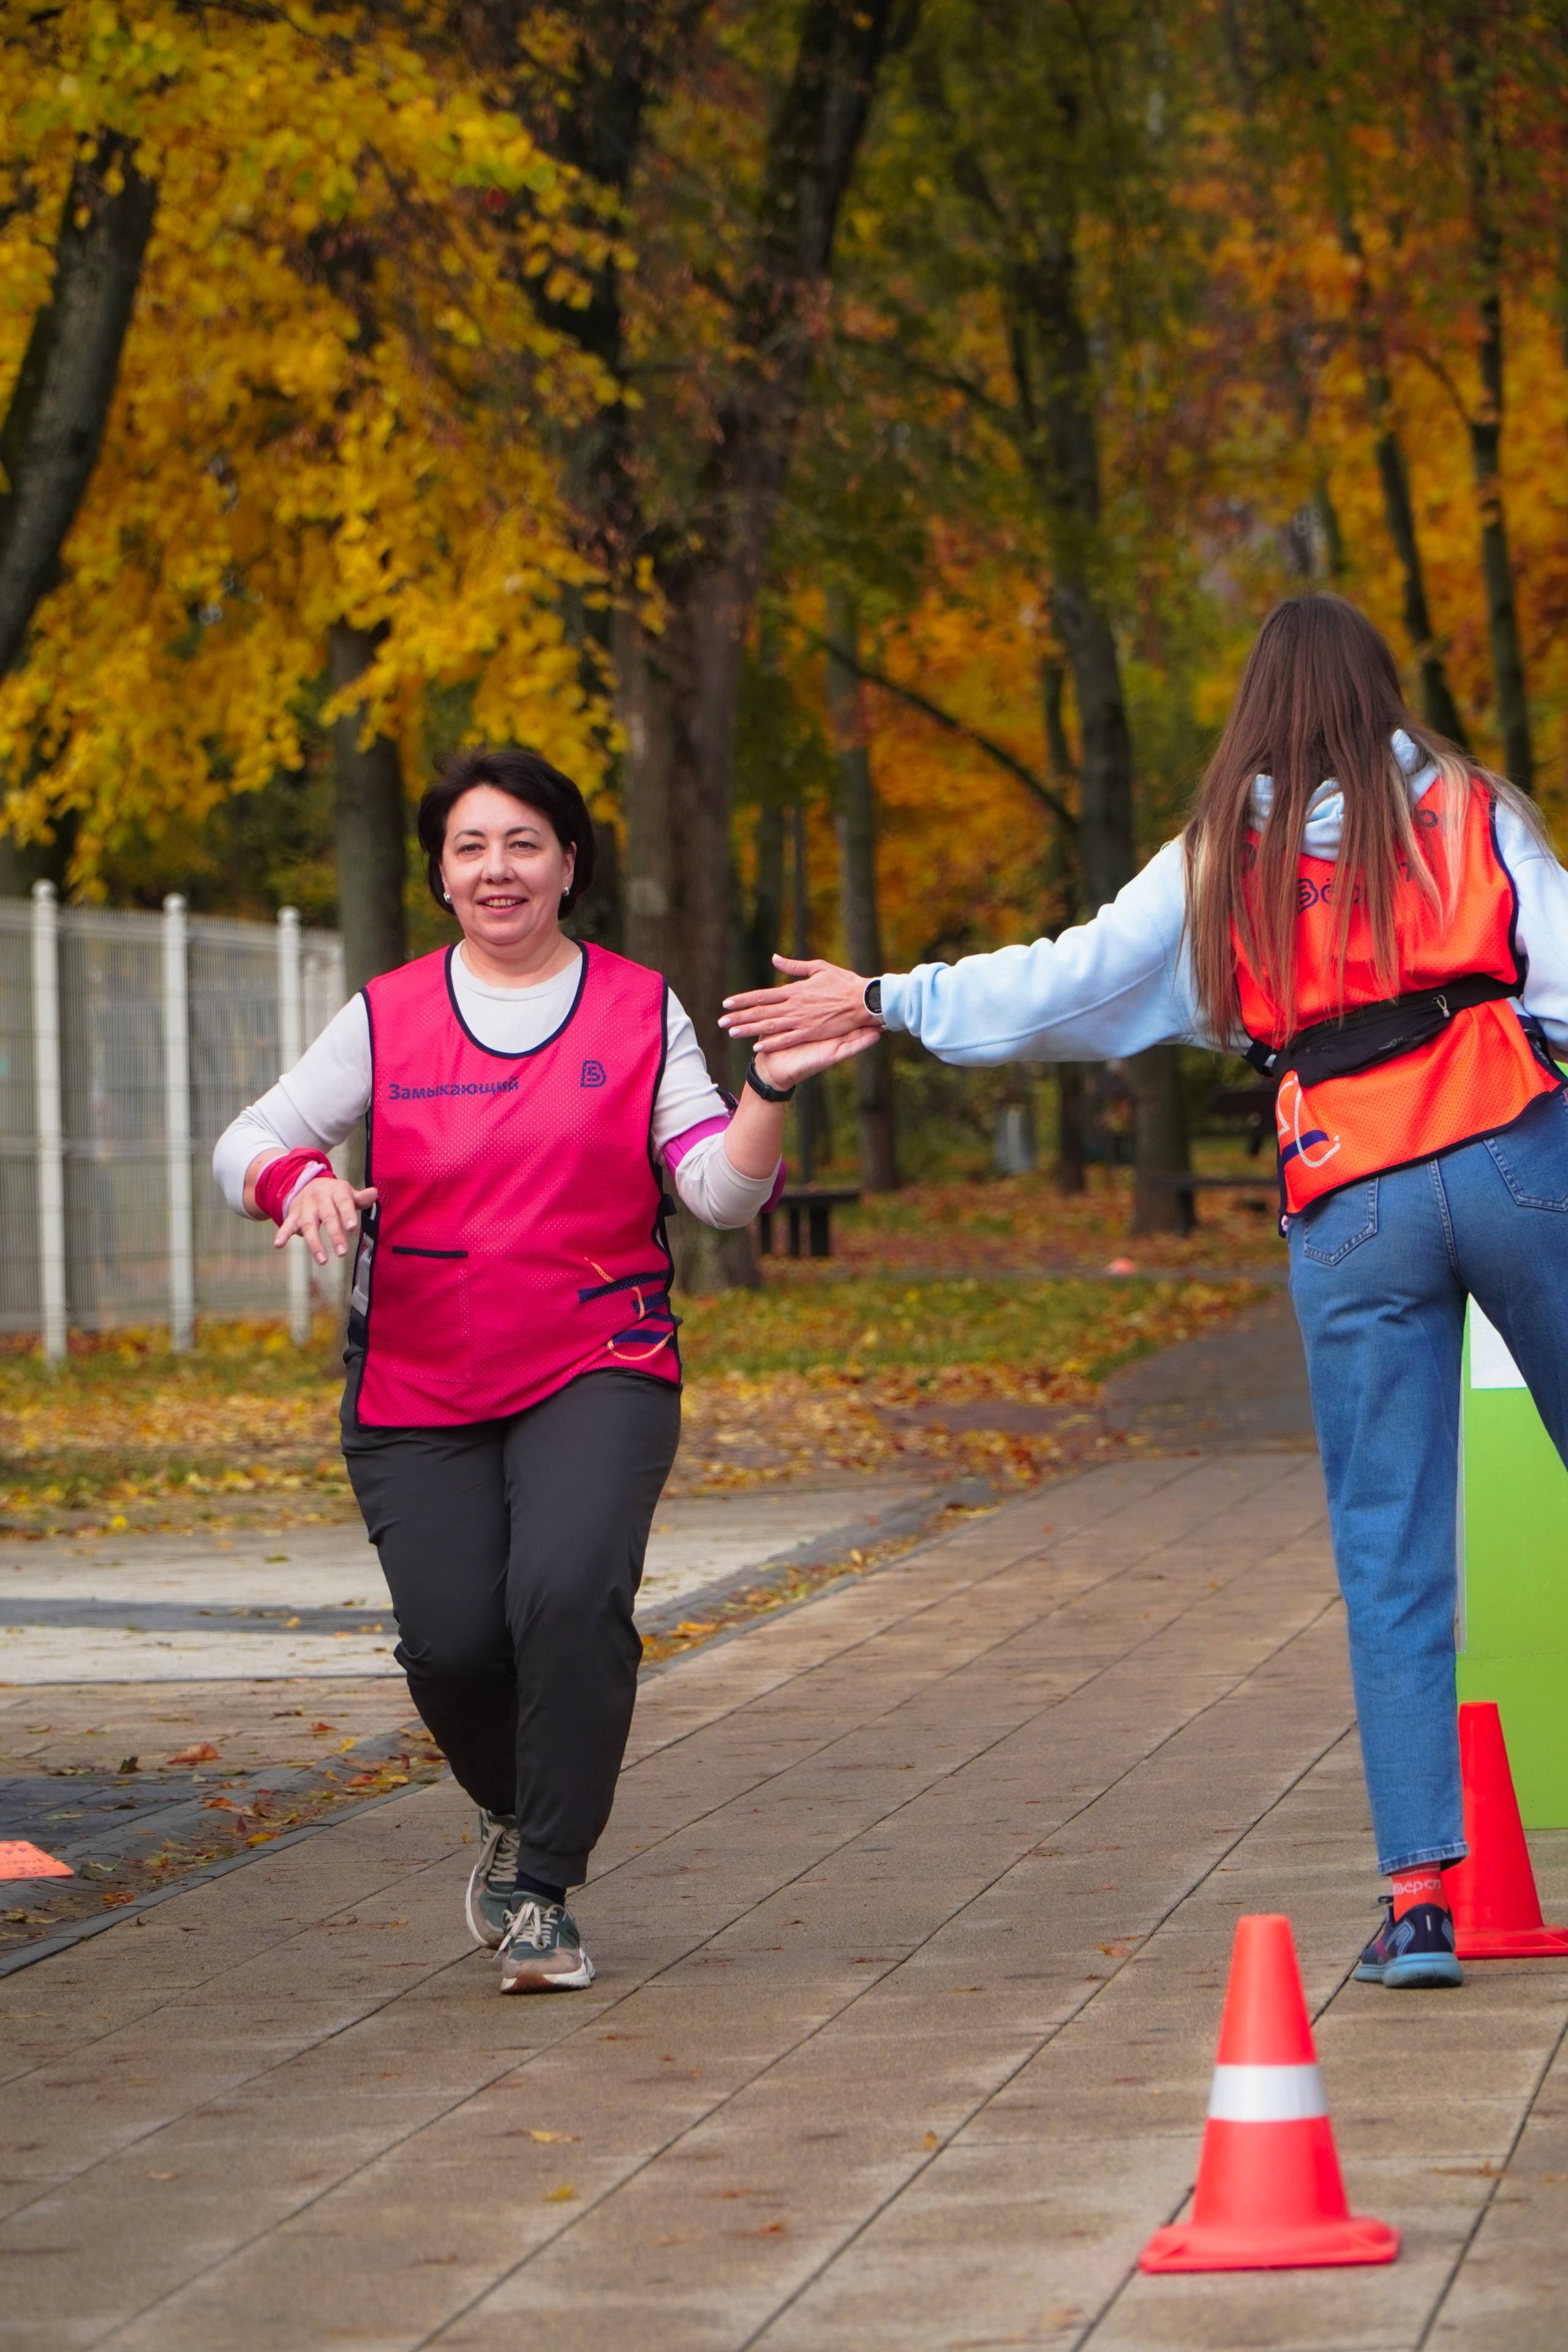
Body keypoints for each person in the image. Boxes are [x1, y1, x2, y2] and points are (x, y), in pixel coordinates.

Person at [721, 592, 1568, 1993]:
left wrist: (890, 996)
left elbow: (1065, 988)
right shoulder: (1472, 810)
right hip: (1513, 1162)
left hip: (1348, 1193)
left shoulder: (1216, 859)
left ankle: (1419, 1901)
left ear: (1254, 709)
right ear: (1382, 693)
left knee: (1389, 1544)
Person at [216, 746, 875, 1992]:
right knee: (453, 1645)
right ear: (440, 875)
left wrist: (769, 1088)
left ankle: (544, 1893)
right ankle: (517, 1806)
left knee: (564, 1598)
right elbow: (245, 1140)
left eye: (523, 842)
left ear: (569, 863)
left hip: (596, 1357)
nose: (497, 868)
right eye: (471, 847)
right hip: (415, 1377)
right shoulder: (386, 1015)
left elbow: (716, 1193)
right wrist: (299, 1183)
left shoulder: (637, 1009)